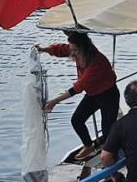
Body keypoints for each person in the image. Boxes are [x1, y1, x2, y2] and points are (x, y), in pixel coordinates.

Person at [39, 29, 119, 157]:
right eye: (72, 50)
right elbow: (61, 49)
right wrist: (44, 49)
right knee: (77, 120)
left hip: (108, 94)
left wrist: (54, 101)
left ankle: (111, 156)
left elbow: (78, 87)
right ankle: (88, 146)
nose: (72, 53)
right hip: (93, 93)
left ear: (83, 48)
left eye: (75, 50)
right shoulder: (76, 51)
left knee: (107, 130)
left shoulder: (96, 61)